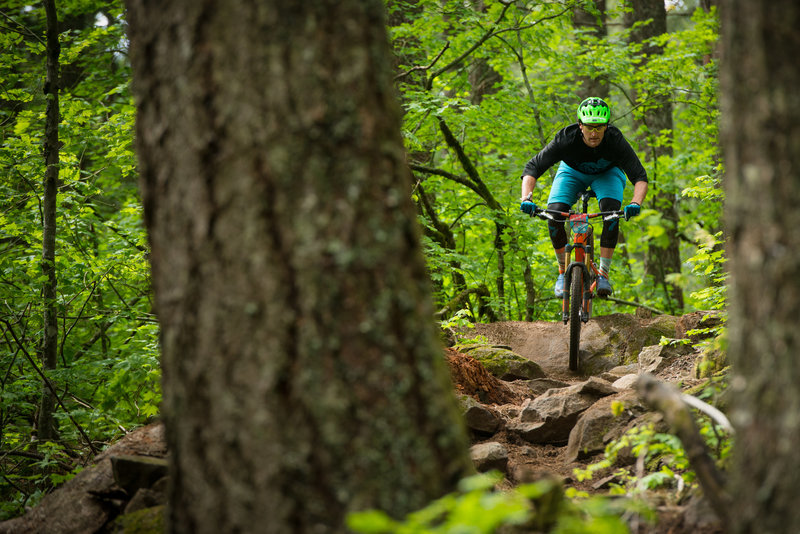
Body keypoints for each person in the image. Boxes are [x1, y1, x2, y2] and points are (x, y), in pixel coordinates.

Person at [519, 97, 648, 298]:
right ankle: (562, 272)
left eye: (599, 127)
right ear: (580, 125)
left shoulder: (615, 140)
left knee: (610, 214)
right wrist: (526, 198)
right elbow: (533, 167)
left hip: (607, 173)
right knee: (554, 213)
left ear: (606, 126)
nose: (594, 133)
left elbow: (640, 177)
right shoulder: (566, 138)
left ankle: (603, 274)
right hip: (572, 172)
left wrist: (635, 203)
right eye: (589, 127)